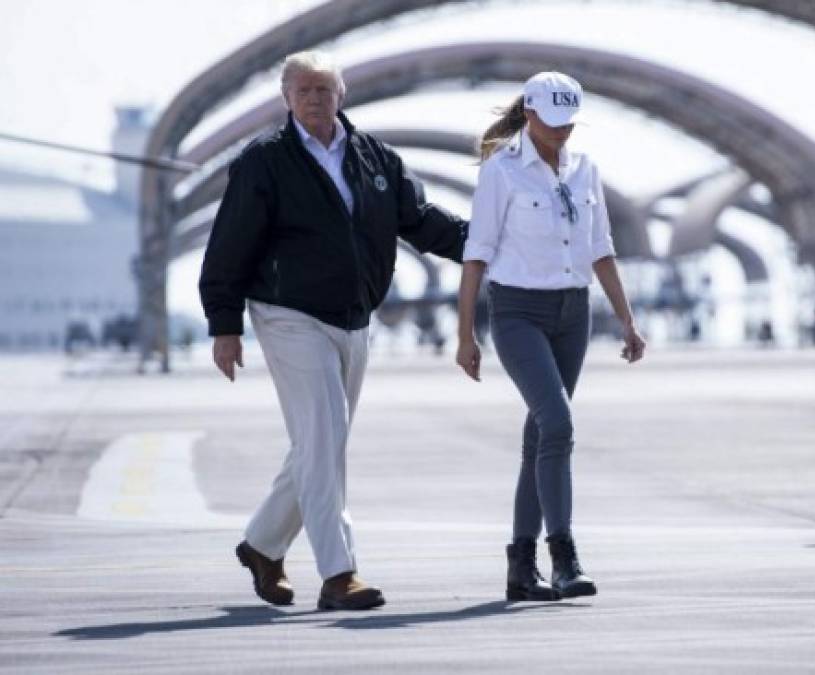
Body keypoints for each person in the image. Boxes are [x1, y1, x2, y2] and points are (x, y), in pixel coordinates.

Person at [199, 51, 467, 610]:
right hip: (287, 312)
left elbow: (421, 222)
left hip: (353, 316)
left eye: (325, 88)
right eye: (304, 90)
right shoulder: (264, 161)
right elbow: (228, 245)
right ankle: (338, 573)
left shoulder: (376, 158)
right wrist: (224, 325)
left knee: (321, 442)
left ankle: (263, 545)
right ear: (287, 100)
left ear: (342, 94)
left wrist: (488, 242)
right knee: (323, 439)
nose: (316, 98)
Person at [455, 72, 645, 601]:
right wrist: (465, 334)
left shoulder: (586, 171)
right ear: (531, 114)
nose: (562, 132)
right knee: (558, 423)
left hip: (573, 312)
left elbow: (601, 248)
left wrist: (628, 319)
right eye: (552, 122)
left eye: (569, 123)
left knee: (541, 438)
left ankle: (520, 566)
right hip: (517, 312)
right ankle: (563, 556)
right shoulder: (501, 171)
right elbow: (476, 255)